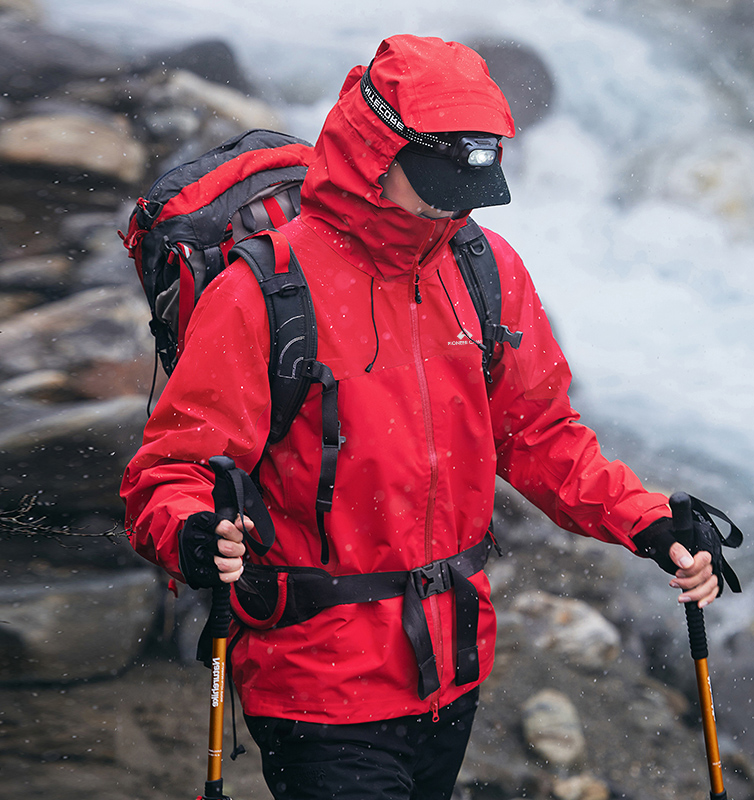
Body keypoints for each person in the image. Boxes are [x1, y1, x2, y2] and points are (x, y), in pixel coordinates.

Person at [121, 34, 721, 800]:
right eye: (437, 183)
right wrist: (191, 531)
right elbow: (172, 469)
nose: (457, 204)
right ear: (375, 152)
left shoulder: (485, 268)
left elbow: (538, 435)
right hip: (318, 681)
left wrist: (649, 520)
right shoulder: (264, 290)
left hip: (452, 667)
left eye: (469, 184)